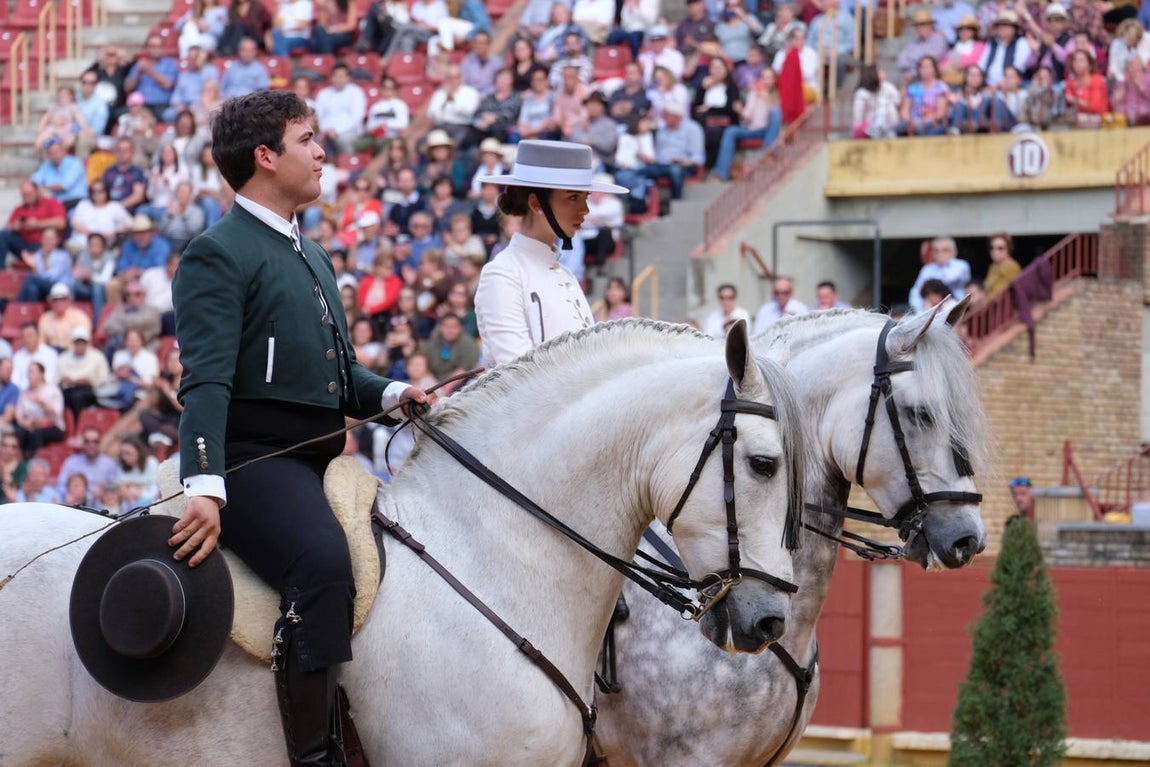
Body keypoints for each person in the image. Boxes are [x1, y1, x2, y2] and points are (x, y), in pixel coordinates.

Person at [170, 89, 434, 764]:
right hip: (253, 460)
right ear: (265, 156)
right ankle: (315, 757)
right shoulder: (216, 252)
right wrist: (205, 484)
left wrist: (397, 392)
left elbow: (343, 377)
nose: (321, 152)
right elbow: (205, 380)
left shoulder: (312, 252)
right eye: (307, 139)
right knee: (320, 563)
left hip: (320, 459)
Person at [473, 139, 628, 366]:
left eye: (585, 198)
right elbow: (517, 372)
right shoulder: (503, 273)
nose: (585, 210)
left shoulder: (566, 275)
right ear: (536, 204)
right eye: (573, 198)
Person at [58, 327, 111, 419]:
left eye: (82, 343)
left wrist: (90, 381)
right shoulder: (64, 357)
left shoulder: (97, 356)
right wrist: (65, 380)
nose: (80, 345)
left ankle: (79, 422)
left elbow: (104, 377)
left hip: (89, 389)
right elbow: (58, 376)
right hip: (68, 388)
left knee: (77, 397)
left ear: (87, 343)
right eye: (77, 343)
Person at [908, 236, 971, 312]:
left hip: (958, 309)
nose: (940, 253)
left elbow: (945, 281)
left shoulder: (961, 265)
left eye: (945, 250)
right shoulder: (927, 269)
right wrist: (920, 310)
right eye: (936, 250)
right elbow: (916, 291)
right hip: (932, 310)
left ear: (954, 251)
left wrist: (931, 291)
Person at [56, 426, 119, 501]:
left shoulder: (109, 464)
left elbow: (114, 488)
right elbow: (61, 486)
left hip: (100, 504)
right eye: (87, 441)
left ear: (100, 443)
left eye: (95, 441)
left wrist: (103, 493)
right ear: (82, 443)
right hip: (75, 503)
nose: (91, 445)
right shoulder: (71, 462)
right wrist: (69, 494)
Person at [983, 232, 1021, 300]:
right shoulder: (993, 267)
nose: (995, 252)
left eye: (1000, 248)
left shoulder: (1013, 267)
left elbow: (1007, 293)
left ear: (1008, 249)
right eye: (992, 248)